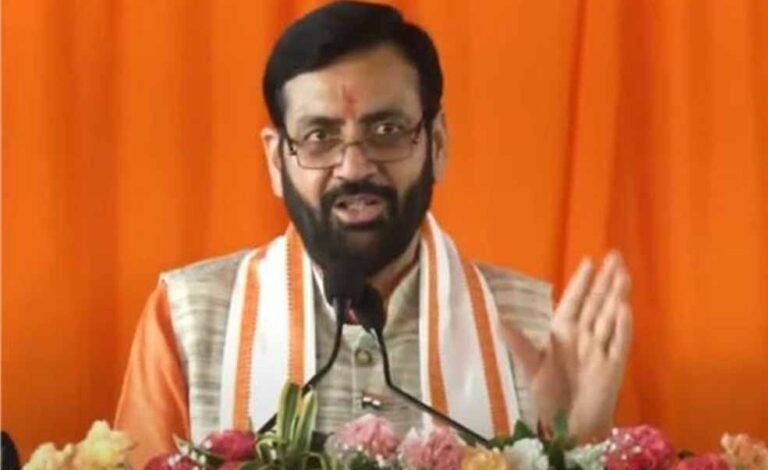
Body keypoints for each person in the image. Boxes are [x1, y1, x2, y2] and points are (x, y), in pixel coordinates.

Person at [115, 1, 632, 467]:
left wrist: (581, 442)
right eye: (320, 136)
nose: (354, 167)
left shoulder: (538, 330)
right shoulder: (187, 318)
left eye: (386, 130)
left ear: (437, 143)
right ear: (276, 160)